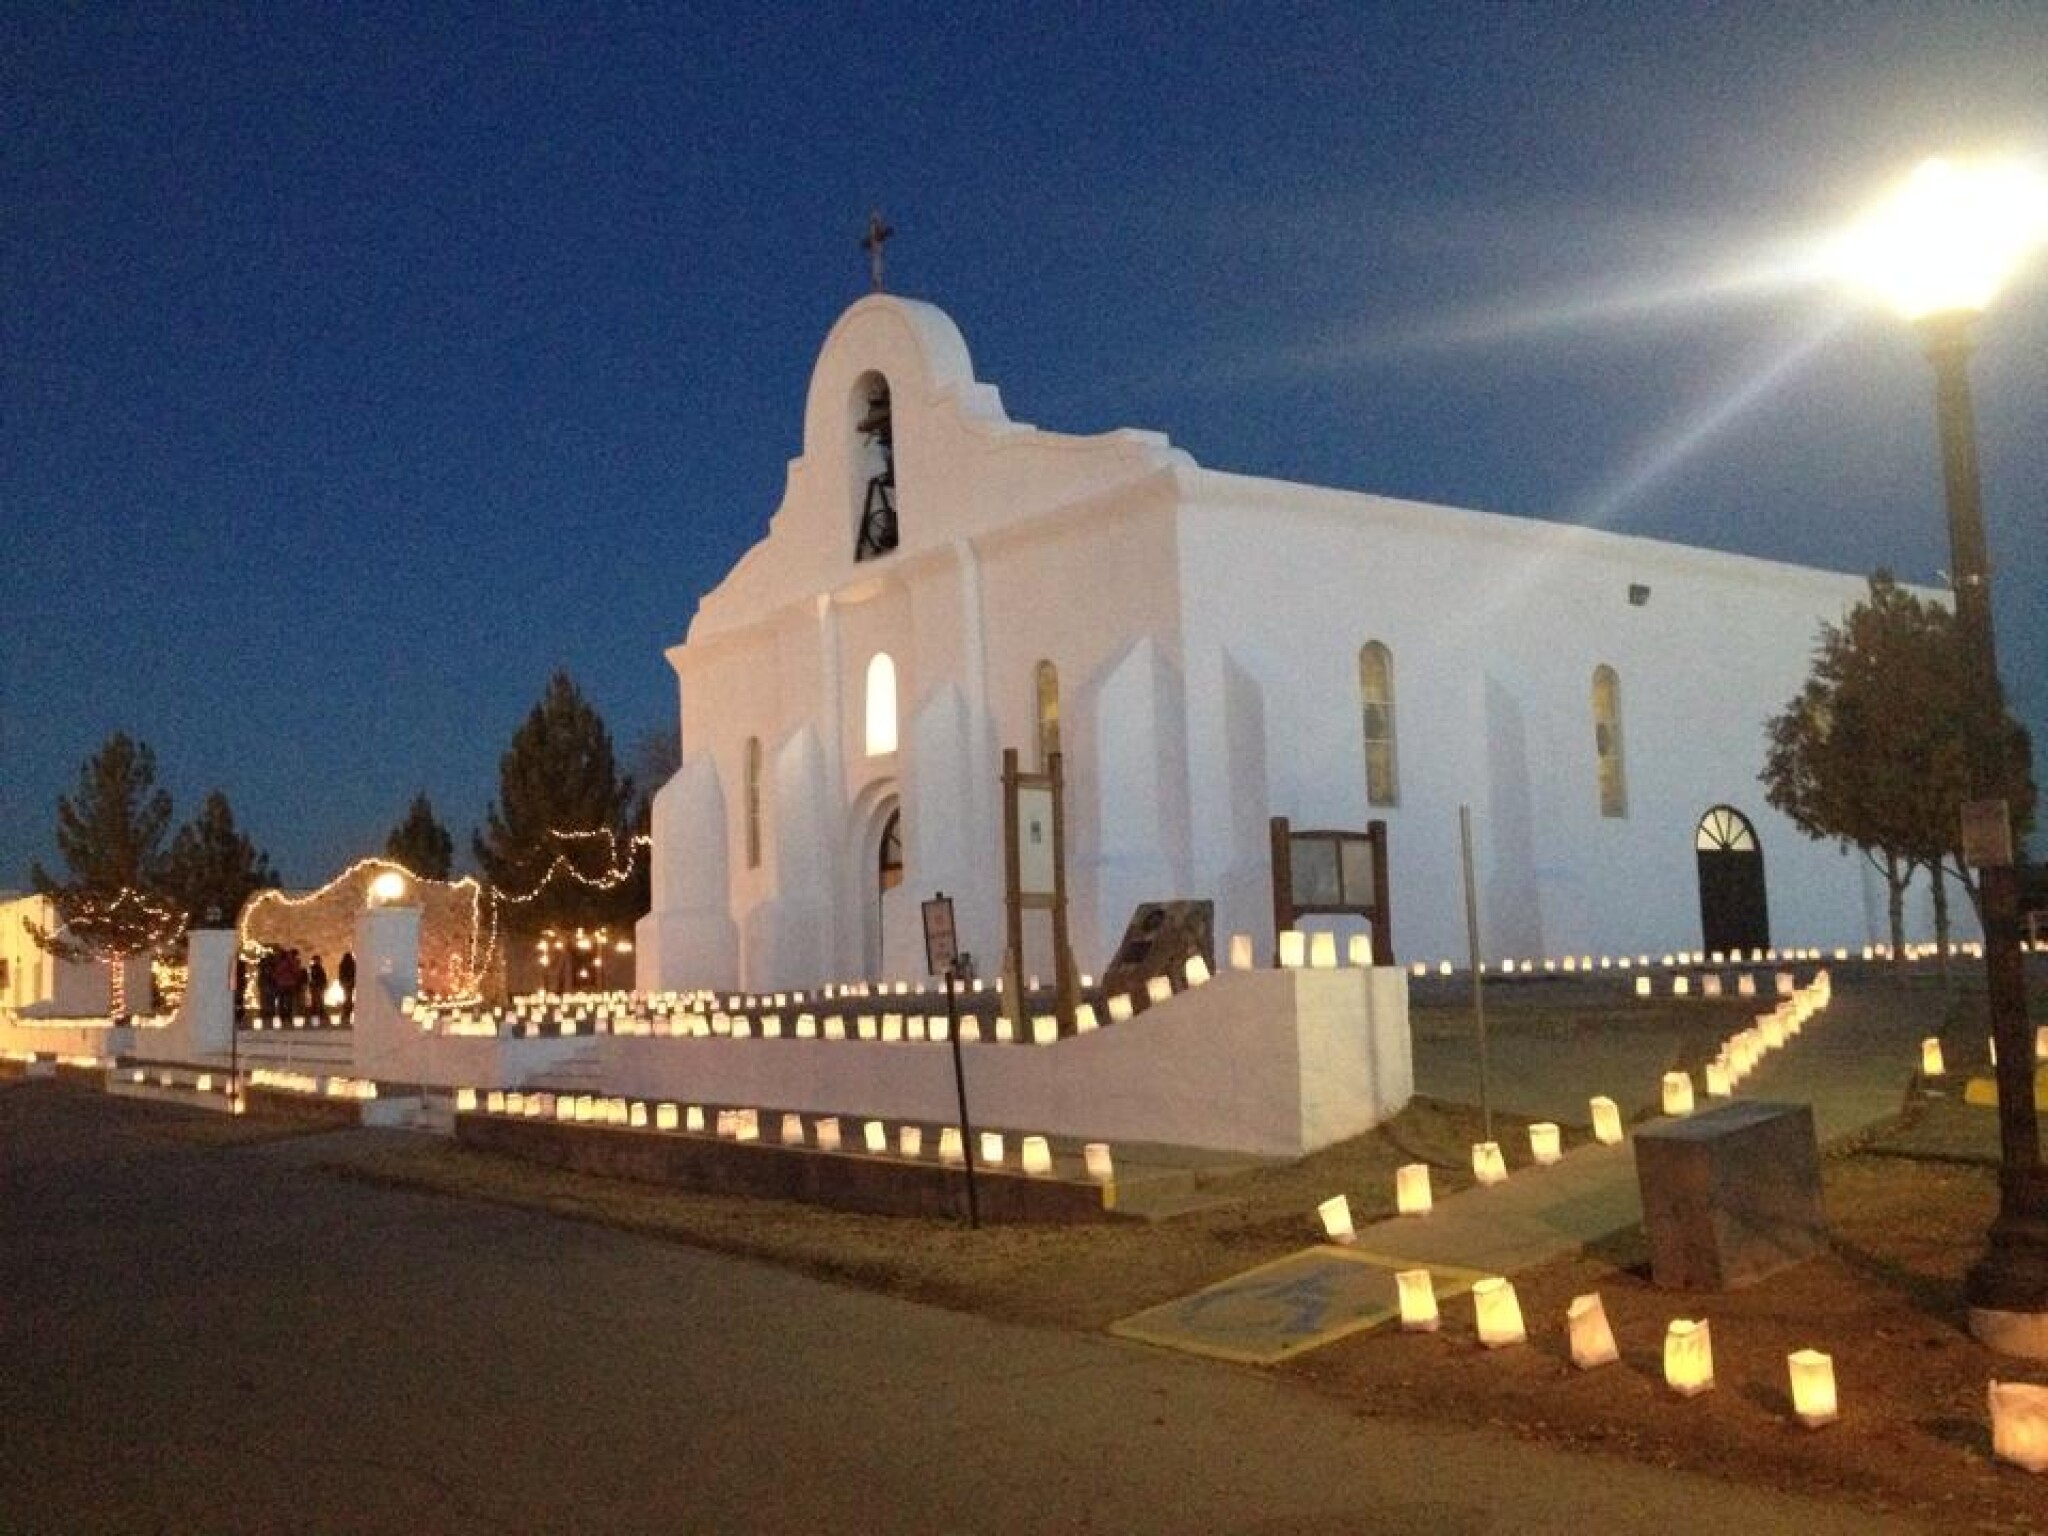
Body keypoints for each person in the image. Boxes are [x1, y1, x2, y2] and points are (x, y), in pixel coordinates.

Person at [275, 948, 302, 1028]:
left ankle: (284, 1016)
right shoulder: (293, 962)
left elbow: (277, 972)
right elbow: (297, 972)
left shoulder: (283, 962)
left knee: (284, 1001)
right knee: (287, 1001)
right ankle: (286, 1016)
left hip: (284, 984)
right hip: (288, 983)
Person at [308, 954, 329, 1025]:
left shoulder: (316, 968)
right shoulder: (315, 968)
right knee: (317, 1001)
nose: (319, 961)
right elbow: (315, 978)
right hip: (317, 987)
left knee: (317, 1001)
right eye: (318, 960)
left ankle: (317, 1015)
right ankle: (317, 1015)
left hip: (317, 987)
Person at [338, 950, 356, 1026]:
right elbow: (354, 974)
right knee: (349, 998)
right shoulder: (353, 964)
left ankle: (345, 1013)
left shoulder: (342, 964)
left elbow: (340, 975)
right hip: (350, 983)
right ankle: (347, 1012)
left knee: (347, 998)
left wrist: (342, 982)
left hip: (345, 983)